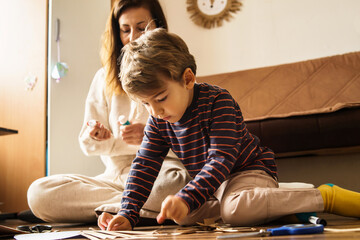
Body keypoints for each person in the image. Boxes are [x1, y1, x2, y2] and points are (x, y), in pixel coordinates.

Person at [97, 28, 360, 230]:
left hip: (248, 171)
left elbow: (221, 159)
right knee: (181, 217)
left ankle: (323, 195)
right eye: (145, 103)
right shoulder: (159, 121)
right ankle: (274, 208)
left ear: (187, 79)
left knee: (233, 211)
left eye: (161, 98)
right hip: (216, 187)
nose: (154, 111)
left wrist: (187, 197)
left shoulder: (218, 101)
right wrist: (127, 213)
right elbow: (144, 165)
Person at [26, 0, 210, 223]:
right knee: (39, 193)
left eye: (142, 28)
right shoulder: (103, 78)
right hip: (114, 178)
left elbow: (194, 142)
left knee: (171, 186)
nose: (133, 36)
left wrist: (152, 137)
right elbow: (88, 144)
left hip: (162, 172)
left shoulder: (173, 73)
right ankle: (135, 209)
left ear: (158, 27)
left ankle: (124, 210)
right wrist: (97, 135)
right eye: (125, 30)